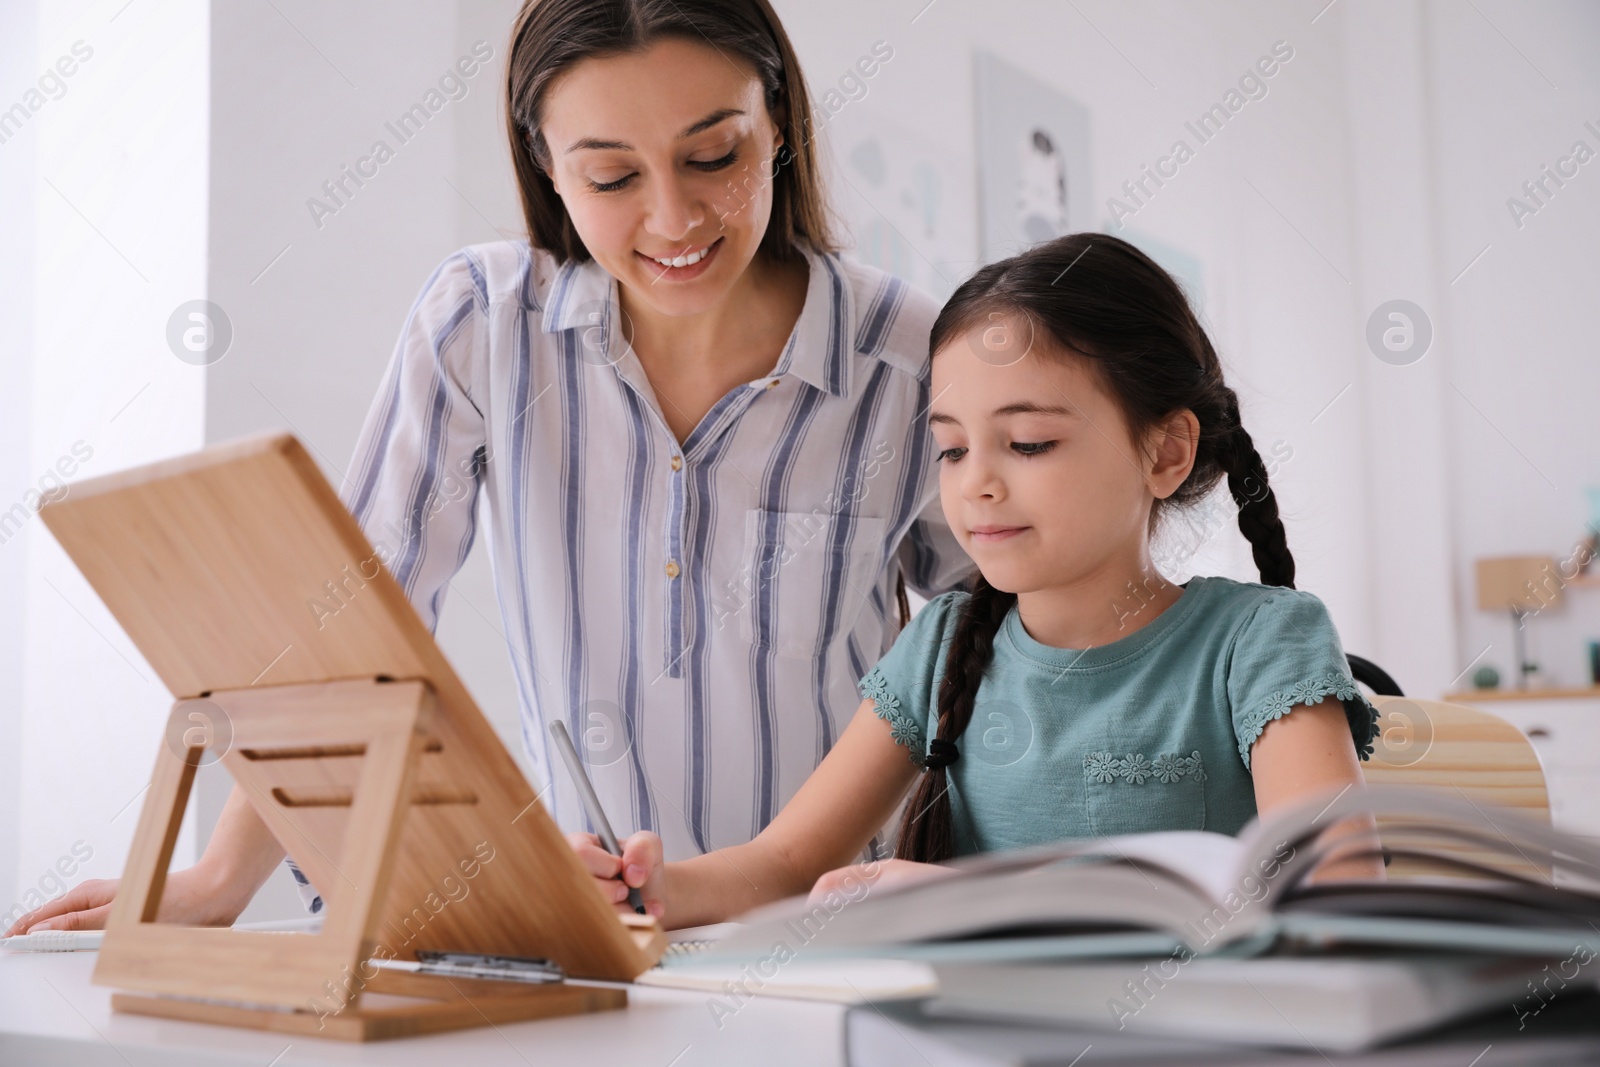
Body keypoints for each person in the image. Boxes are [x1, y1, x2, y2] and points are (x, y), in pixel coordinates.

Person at [6, 0, 965, 935]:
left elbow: (997, 646)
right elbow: (358, 613)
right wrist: (218, 879)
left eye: (714, 156)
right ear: (547, 168)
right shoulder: (485, 321)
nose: (673, 217)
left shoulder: (915, 355)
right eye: (609, 177)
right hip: (580, 928)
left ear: (782, 127)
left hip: (832, 933)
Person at [570, 233, 1384, 927]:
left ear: (1166, 451)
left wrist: (977, 901)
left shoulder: (1263, 644)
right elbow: (786, 859)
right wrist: (656, 888)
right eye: (953, 448)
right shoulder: (944, 644)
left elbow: (1331, 902)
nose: (975, 485)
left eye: (1027, 443)